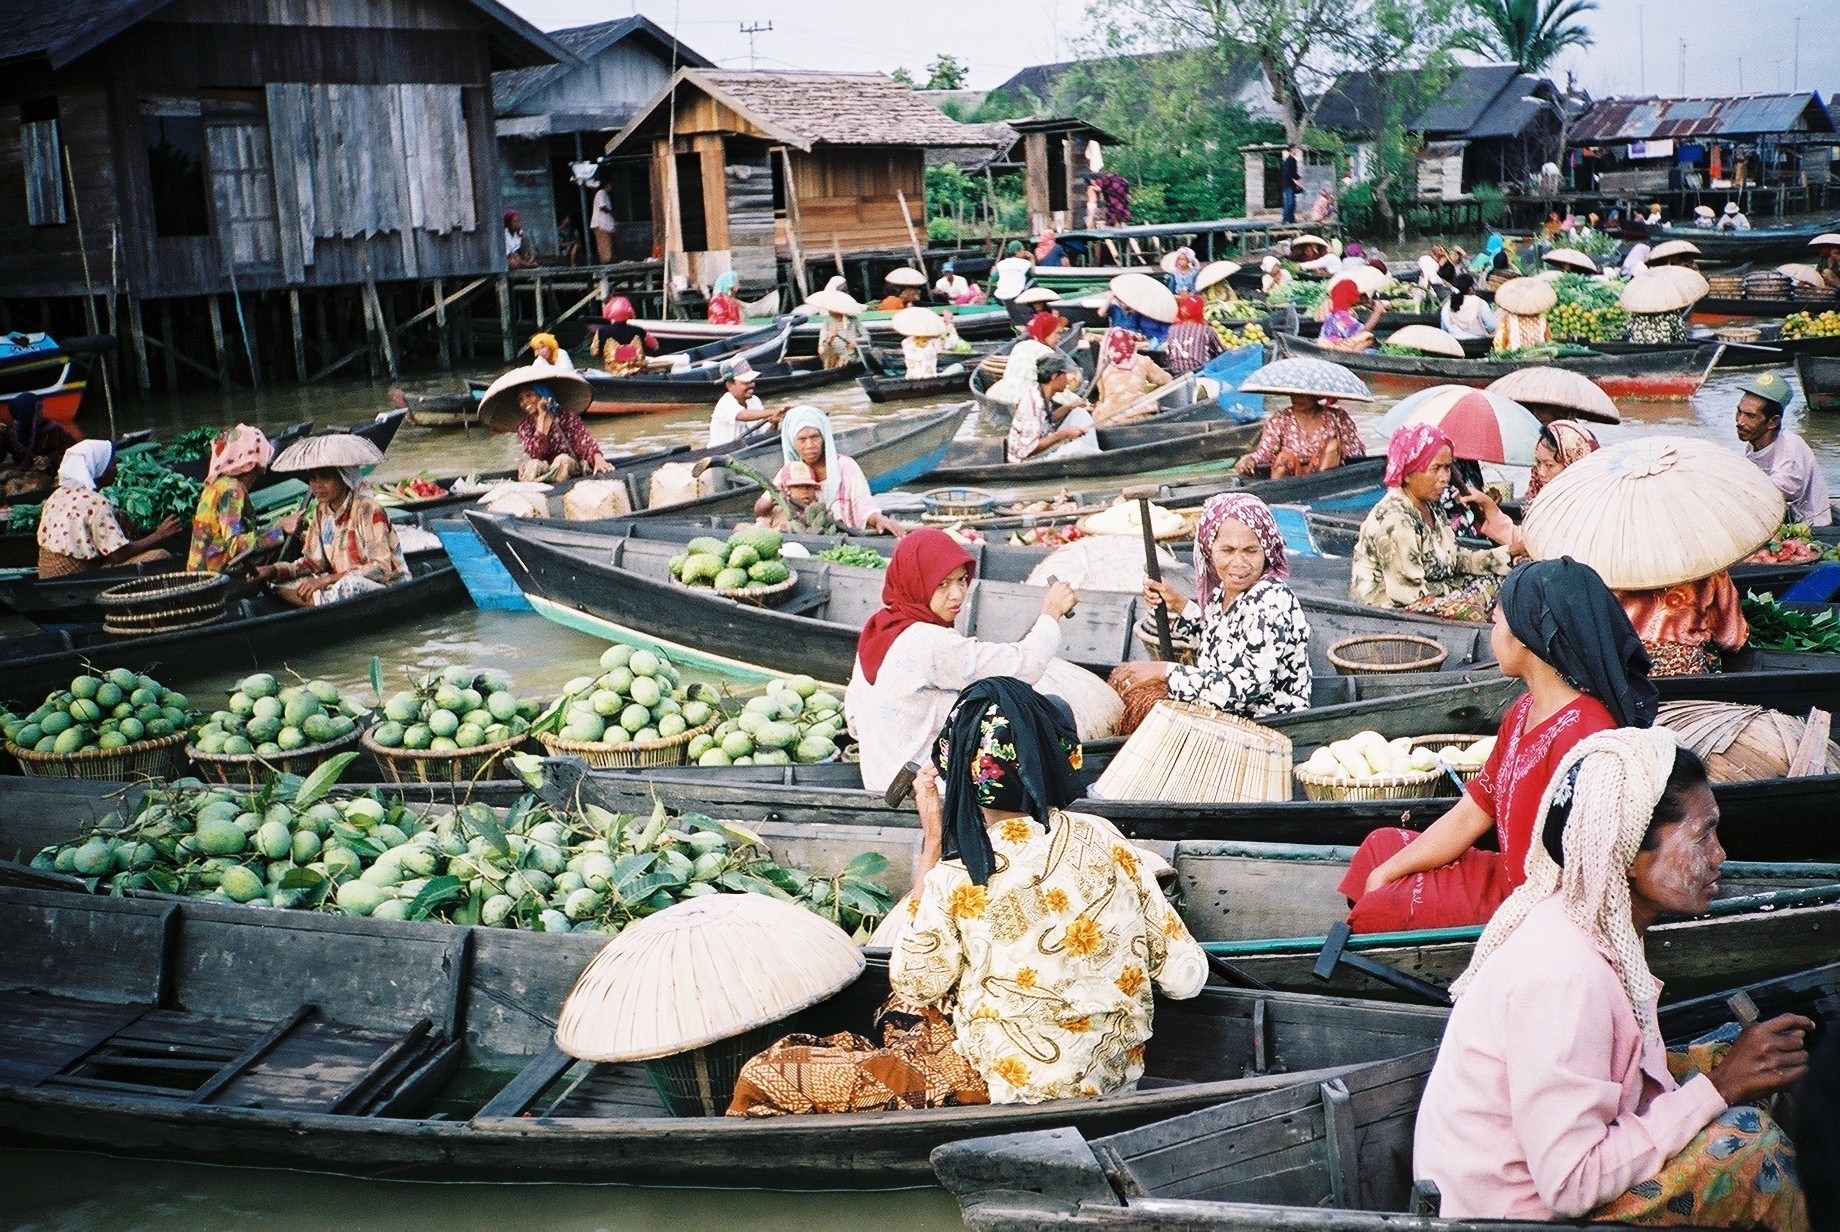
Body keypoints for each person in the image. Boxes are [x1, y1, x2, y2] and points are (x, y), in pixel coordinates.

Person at [1414, 728, 1811, 1227]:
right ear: (1628, 855)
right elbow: (1571, 1183)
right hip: (1510, 1217)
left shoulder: (1598, 925)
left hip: (1545, 1187)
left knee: (1741, 1053)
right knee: (1753, 1147)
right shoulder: (1564, 973)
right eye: (1703, 835)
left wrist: (1723, 1076)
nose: (1719, 856)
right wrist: (1718, 1090)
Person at [884, 679, 1208, 1105]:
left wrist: (933, 840)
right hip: (1116, 1080)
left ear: (962, 774)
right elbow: (1187, 978)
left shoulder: (957, 876)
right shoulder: (1105, 838)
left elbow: (915, 983)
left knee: (896, 1010)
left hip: (1011, 1095)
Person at [1341, 558, 1655, 932]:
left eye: (1496, 622)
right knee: (1381, 847)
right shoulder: (1522, 711)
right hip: (1504, 877)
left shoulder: (1585, 734)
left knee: (1384, 905)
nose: (1492, 633)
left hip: (1534, 908)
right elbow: (1474, 811)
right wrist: (1388, 870)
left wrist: (1387, 885)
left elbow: (1581, 876)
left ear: (1525, 634)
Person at [842, 528, 1079, 793]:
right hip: (928, 792)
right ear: (915, 582)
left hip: (880, 782)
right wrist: (1051, 613)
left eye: (962, 580)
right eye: (942, 584)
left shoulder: (879, 629)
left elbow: (853, 723)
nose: (957, 595)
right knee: (1055, 711)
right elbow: (1026, 666)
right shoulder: (929, 642)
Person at [1111, 493, 1312, 732]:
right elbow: (1218, 639)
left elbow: (1242, 690)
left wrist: (1165, 671)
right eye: (1227, 550)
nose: (1239, 562)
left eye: (1250, 551)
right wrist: (1177, 602)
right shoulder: (1223, 593)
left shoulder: (1271, 601)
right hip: (1227, 719)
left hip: (1267, 728)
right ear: (1209, 550)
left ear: (1266, 552)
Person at [1349, 424, 1517, 621]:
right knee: (1472, 607)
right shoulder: (1395, 519)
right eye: (1436, 468)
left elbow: (1454, 559)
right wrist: (1459, 591)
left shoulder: (1432, 506)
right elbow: (1408, 594)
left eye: (1447, 468)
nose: (1445, 478)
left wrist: (1509, 553)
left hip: (1431, 588)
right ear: (1408, 473)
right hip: (1391, 606)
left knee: (1509, 579)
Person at [255, 460, 408, 608]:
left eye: (326, 477)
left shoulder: (369, 510)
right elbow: (314, 562)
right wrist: (273, 570)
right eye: (313, 478)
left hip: (385, 584)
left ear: (344, 479)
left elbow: (380, 569)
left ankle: (317, 602)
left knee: (349, 585)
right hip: (336, 581)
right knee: (275, 582)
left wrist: (327, 580)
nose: (317, 485)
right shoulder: (321, 511)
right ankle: (319, 601)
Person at [35, 441, 181, 579]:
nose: (116, 467)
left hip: (46, 573)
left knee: (120, 516)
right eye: (111, 463)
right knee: (161, 556)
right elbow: (117, 555)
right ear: (100, 470)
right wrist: (160, 534)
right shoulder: (97, 503)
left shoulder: (58, 493)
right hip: (76, 576)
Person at [755, 405, 904, 537]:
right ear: (792, 442)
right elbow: (762, 507)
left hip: (843, 536)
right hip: (804, 537)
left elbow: (864, 506)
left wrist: (879, 518)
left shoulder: (845, 466)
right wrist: (774, 500)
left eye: (815, 437)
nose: (809, 445)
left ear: (824, 437)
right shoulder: (790, 471)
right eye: (802, 439)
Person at [187, 425, 290, 574]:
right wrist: (280, 532)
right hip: (216, 575)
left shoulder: (218, 484)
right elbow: (235, 546)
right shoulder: (232, 490)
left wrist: (277, 525)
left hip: (204, 570)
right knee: (287, 548)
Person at [1737, 370, 1831, 526]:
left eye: (1750, 416)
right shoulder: (1752, 446)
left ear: (1773, 422)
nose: (1740, 421)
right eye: (1739, 412)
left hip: (1809, 527)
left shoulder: (1790, 446)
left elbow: (1780, 491)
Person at [1235, 391, 1365, 480]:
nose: (1297, 398)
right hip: (1288, 476)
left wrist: (1340, 450)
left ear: (1318, 395)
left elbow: (1356, 451)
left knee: (1332, 445)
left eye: (1304, 394)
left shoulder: (1337, 417)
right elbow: (1265, 453)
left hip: (1326, 474)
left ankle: (1320, 486)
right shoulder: (1280, 419)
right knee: (1283, 458)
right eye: (1294, 394)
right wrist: (1249, 459)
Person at [507, 380, 611, 482]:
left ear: (542, 394)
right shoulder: (524, 427)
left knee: (562, 459)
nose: (525, 402)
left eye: (529, 395)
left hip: (569, 466)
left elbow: (584, 442)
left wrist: (598, 459)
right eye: (520, 399)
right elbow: (535, 454)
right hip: (545, 468)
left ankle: (545, 480)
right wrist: (542, 419)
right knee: (532, 465)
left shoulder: (566, 416)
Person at [1007, 351, 1097, 462]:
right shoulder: (1035, 404)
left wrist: (1070, 406)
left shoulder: (1041, 394)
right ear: (1054, 376)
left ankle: (1094, 456)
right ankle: (1097, 458)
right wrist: (1063, 434)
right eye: (1065, 375)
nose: (1068, 380)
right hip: (1028, 461)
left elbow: (1048, 419)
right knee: (1077, 448)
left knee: (1079, 413)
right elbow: (1028, 450)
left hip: (1042, 449)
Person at [1, 392, 76, 501]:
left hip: (44, 474)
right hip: (20, 472)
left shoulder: (53, 430)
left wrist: (49, 459)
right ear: (29, 413)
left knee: (33, 487)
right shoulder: (12, 431)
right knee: (12, 485)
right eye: (39, 409)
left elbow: (73, 448)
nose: (42, 412)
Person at [1091, 327, 1171, 426]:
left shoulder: (1104, 368)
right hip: (1139, 413)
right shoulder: (1142, 360)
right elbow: (1167, 380)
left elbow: (1102, 398)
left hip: (1110, 418)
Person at [1523, 420, 1600, 508]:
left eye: (1549, 465)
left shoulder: (1589, 507)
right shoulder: (1537, 497)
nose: (1541, 473)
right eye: (1539, 463)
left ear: (1572, 465)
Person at [708, 360, 780, 448]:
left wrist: (774, 423)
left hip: (749, 450)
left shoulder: (755, 400)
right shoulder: (725, 402)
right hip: (721, 453)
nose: (752, 385)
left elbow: (766, 435)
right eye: (746, 382)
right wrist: (772, 412)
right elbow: (742, 415)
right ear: (729, 385)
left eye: (752, 381)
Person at [590, 297, 657, 375]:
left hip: (613, 374)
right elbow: (654, 346)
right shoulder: (639, 330)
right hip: (637, 373)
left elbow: (594, 352)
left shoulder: (602, 331)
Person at [1163, 293, 1225, 375]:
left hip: (1175, 372)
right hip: (1199, 372)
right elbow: (1222, 352)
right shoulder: (1205, 330)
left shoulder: (1172, 329)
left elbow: (1166, 355)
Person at [1318, 279, 1383, 352]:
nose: (1362, 299)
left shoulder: (1335, 311)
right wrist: (1377, 312)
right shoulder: (1342, 315)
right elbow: (1364, 331)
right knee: (1368, 337)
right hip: (1335, 347)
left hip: (1332, 343)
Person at [1441, 272, 1499, 341]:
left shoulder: (1447, 305)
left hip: (1455, 344)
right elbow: (1491, 326)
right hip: (1478, 344)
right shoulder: (1480, 303)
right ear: (1470, 288)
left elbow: (1444, 328)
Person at [817, 304, 864, 370]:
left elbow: (866, 336)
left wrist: (857, 343)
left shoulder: (853, 320)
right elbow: (823, 338)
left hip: (850, 353)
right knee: (824, 349)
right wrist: (828, 339)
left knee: (847, 360)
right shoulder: (827, 321)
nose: (829, 312)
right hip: (834, 353)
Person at [589, 186, 616, 263]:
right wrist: (611, 212)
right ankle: (606, 260)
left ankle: (609, 259)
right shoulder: (601, 193)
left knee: (608, 243)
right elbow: (602, 206)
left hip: (606, 225)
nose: (611, 188)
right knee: (604, 244)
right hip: (601, 224)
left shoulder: (606, 195)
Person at [1281, 143, 1303, 224]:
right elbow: (1288, 173)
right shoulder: (1288, 160)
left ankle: (1291, 219)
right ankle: (1285, 219)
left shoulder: (1293, 160)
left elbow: (1294, 173)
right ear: (1292, 149)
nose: (1296, 150)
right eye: (1295, 149)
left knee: (1293, 203)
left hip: (1291, 185)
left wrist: (1299, 178)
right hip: (1287, 185)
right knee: (1289, 202)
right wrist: (1295, 180)